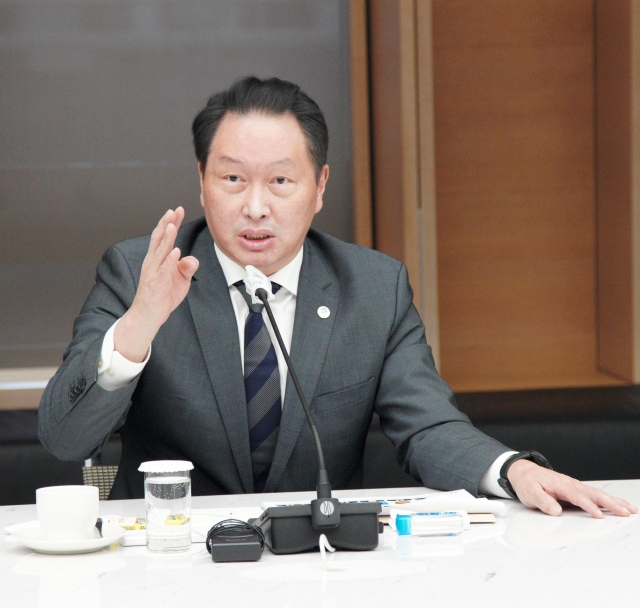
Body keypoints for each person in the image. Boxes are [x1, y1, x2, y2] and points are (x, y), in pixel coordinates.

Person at [39, 76, 635, 519]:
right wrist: (139, 326)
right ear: (201, 180)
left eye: (280, 180)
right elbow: (64, 438)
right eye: (231, 179)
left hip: (320, 557)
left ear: (320, 186)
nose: (254, 207)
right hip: (171, 554)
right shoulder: (140, 271)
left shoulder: (372, 288)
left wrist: (512, 468)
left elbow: (427, 426)